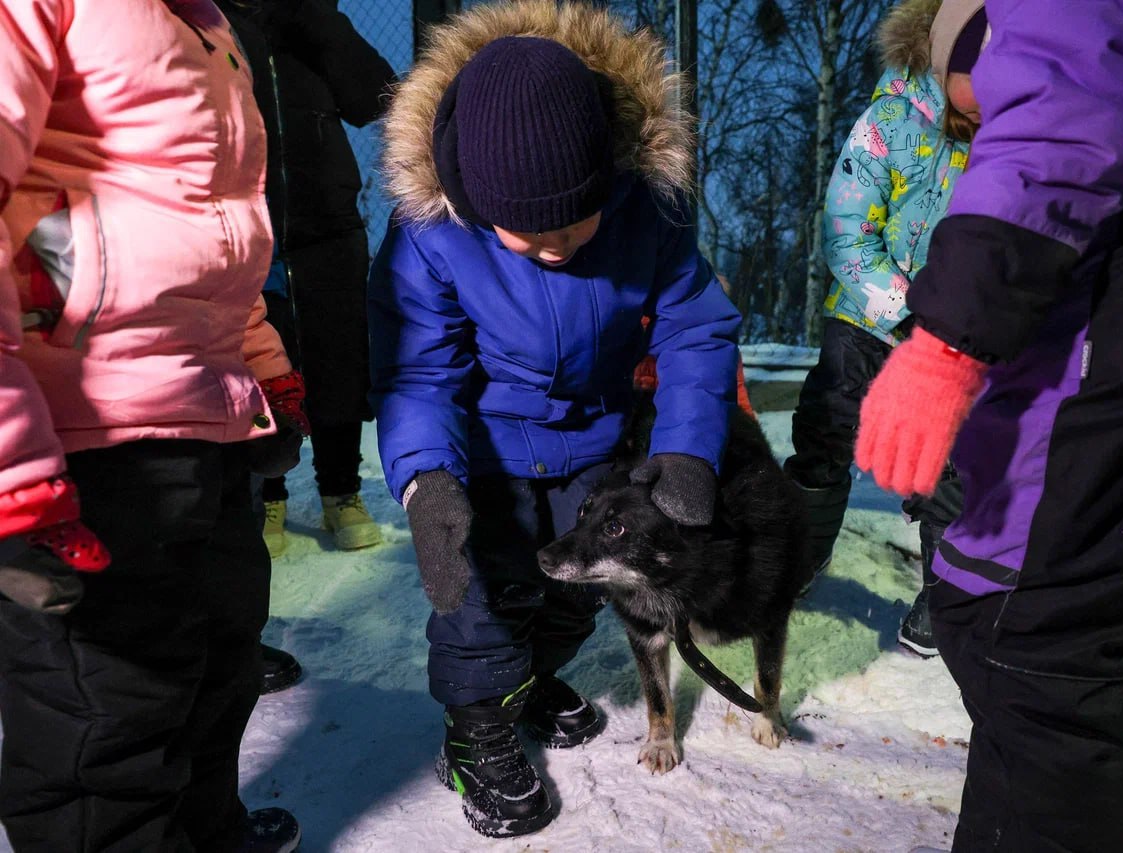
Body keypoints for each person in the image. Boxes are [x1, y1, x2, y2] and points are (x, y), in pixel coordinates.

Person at [854, 0, 1123, 849]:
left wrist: (949, 336)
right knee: (1112, 578)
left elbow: (1066, 91)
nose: (975, 128)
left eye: (977, 108)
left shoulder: (1028, 68)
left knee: (1016, 616)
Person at [369, 0, 741, 837]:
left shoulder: (647, 206)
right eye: (526, 233)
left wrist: (687, 450)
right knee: (484, 601)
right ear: (469, 198)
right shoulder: (430, 236)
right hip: (487, 454)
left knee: (578, 591)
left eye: (576, 222)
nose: (555, 246)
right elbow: (419, 371)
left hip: (595, 442)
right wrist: (429, 482)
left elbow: (696, 326)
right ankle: (478, 729)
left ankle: (527, 680)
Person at [0, 1, 308, 850]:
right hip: (79, 440)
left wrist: (265, 366)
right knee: (106, 723)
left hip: (202, 418)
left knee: (215, 670)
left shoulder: (211, 22)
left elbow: (217, 236)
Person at [785, 0, 986, 655]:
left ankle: (946, 591)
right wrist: (902, 308)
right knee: (824, 427)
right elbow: (846, 230)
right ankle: (798, 555)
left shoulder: (1003, 145)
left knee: (953, 459)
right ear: (942, 57)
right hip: (868, 320)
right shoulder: (892, 119)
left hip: (952, 336)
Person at [217, 0, 398, 558]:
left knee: (337, 358)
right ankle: (268, 492)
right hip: (245, 229)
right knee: (264, 360)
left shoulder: (313, 17)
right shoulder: (211, 19)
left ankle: (341, 490)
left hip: (328, 225)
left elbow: (374, 99)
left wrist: (318, 20)